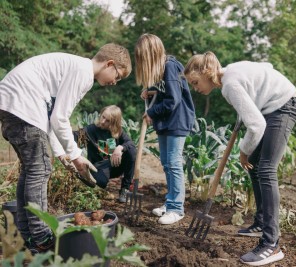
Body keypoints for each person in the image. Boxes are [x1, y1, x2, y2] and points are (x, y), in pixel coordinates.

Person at [0, 43, 131, 254]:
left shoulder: (75, 68)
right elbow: (59, 118)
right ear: (110, 64)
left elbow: (51, 118)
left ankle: (27, 235)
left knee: (31, 169)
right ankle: (42, 236)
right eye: (118, 76)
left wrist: (62, 154)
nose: (115, 82)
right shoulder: (83, 72)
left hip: (13, 104)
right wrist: (77, 156)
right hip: (23, 104)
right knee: (40, 170)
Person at [184, 52, 296, 266]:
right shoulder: (230, 71)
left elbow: (257, 126)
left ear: (207, 72)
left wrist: (243, 150)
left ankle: (271, 244)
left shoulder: (229, 84)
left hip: (283, 107)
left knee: (266, 169)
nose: (195, 88)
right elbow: (267, 65)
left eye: (195, 82)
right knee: (255, 167)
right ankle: (261, 223)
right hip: (272, 108)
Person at [134, 33, 195, 225]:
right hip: (167, 123)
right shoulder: (162, 70)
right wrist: (151, 91)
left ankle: (177, 209)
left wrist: (152, 112)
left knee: (174, 163)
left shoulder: (170, 66)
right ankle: (170, 203)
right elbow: (167, 92)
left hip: (177, 121)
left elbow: (174, 100)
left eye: (143, 59)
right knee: (167, 163)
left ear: (151, 55)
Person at [73, 105, 136, 203]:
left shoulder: (118, 132)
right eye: (103, 117)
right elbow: (74, 136)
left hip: (116, 165)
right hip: (99, 167)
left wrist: (120, 148)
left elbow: (130, 144)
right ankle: (89, 183)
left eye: (108, 121)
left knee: (131, 151)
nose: (103, 121)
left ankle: (125, 189)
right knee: (101, 182)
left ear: (114, 123)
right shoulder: (91, 130)